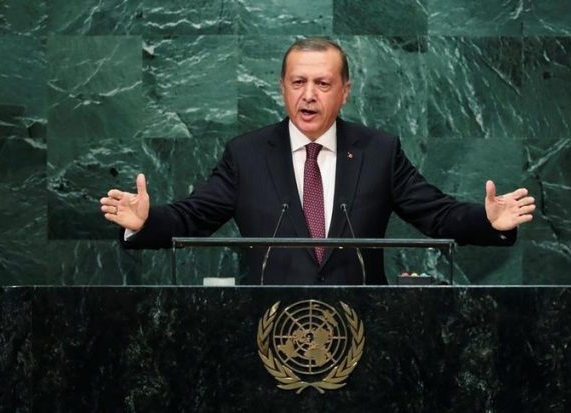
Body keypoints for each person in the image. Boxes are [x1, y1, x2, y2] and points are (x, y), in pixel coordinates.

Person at [100, 38, 535, 285]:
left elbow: (437, 215)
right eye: (298, 82)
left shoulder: (379, 152)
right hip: (263, 329)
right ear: (282, 88)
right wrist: (144, 222)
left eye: (323, 83)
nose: (309, 94)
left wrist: (488, 221)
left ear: (345, 91)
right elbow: (193, 217)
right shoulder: (247, 154)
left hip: (361, 328)